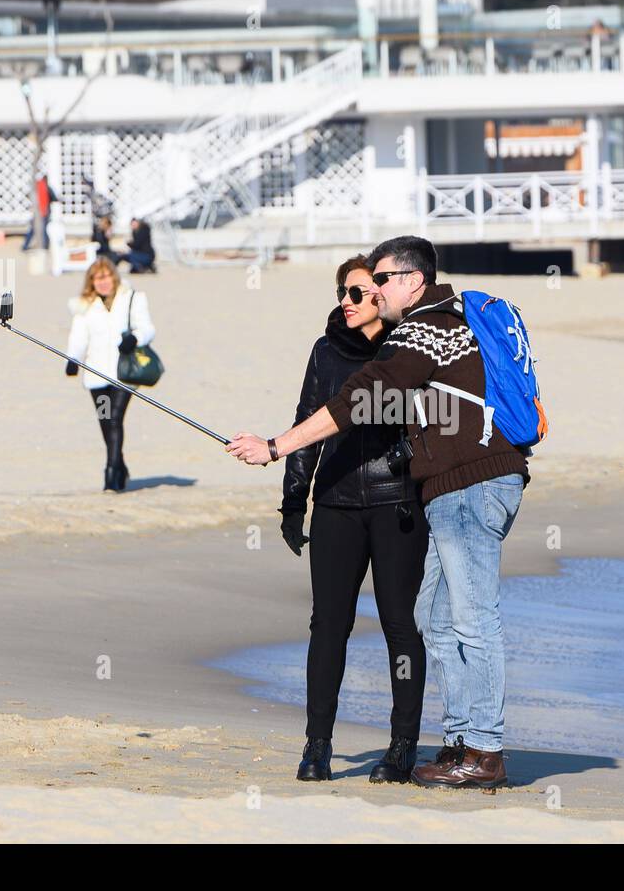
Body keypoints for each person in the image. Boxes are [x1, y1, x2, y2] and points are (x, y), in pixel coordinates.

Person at [227, 235, 530, 789]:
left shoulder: (424, 329)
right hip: (451, 487)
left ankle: (484, 751)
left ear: (413, 281)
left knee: (472, 619)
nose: (374, 288)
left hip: (470, 487)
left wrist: (275, 447)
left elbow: (354, 402)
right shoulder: (452, 322)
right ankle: (461, 741)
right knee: (434, 620)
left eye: (382, 279)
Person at [282, 255, 430, 784]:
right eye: (342, 292)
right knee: (328, 625)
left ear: (381, 295)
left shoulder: (409, 346)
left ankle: (401, 748)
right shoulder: (326, 351)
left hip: (397, 504)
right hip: (337, 504)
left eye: (355, 292)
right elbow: (306, 422)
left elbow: (435, 420)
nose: (344, 301)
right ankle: (317, 746)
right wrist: (294, 498)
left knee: (399, 625)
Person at [65, 256, 155, 492]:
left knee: (115, 419)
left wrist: (134, 338)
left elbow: (146, 328)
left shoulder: (132, 298)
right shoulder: (85, 306)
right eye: (97, 278)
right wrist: (73, 359)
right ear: (91, 281)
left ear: (113, 277)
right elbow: (78, 336)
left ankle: (111, 474)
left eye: (105, 277)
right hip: (96, 378)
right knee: (106, 422)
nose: (103, 282)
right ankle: (121, 466)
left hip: (124, 375)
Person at [22, 174, 58, 251]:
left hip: (37, 211)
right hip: (44, 211)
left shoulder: (37, 188)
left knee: (34, 229)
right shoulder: (47, 188)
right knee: (43, 229)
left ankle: (25, 245)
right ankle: (45, 246)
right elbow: (55, 198)